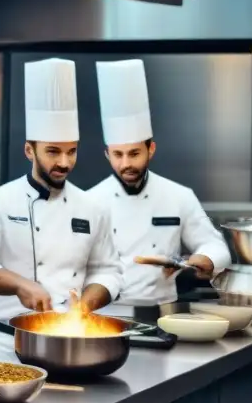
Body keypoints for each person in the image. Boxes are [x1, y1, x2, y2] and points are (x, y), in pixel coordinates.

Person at [0, 58, 122, 362]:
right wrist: (21, 285)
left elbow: (108, 271)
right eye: (53, 151)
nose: (64, 162)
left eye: (71, 151)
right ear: (29, 150)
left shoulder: (92, 207)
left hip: (69, 344)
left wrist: (85, 306)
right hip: (5, 348)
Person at [89, 59, 230, 305]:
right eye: (117, 155)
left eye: (134, 153)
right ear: (106, 154)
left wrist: (202, 259)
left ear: (150, 149)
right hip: (106, 315)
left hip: (163, 312)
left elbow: (214, 244)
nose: (125, 164)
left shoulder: (179, 196)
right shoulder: (90, 201)